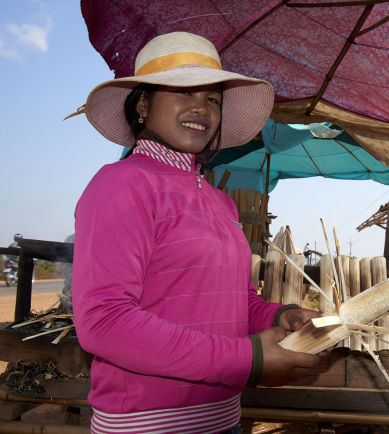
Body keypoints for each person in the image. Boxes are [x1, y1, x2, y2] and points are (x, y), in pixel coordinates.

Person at [72, 32, 322, 434]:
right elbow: (104, 321)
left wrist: (279, 314)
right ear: (142, 104)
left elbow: (234, 303)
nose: (200, 108)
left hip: (222, 420)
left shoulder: (220, 201)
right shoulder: (122, 184)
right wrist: (247, 359)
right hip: (147, 424)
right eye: (183, 92)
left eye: (212, 99)